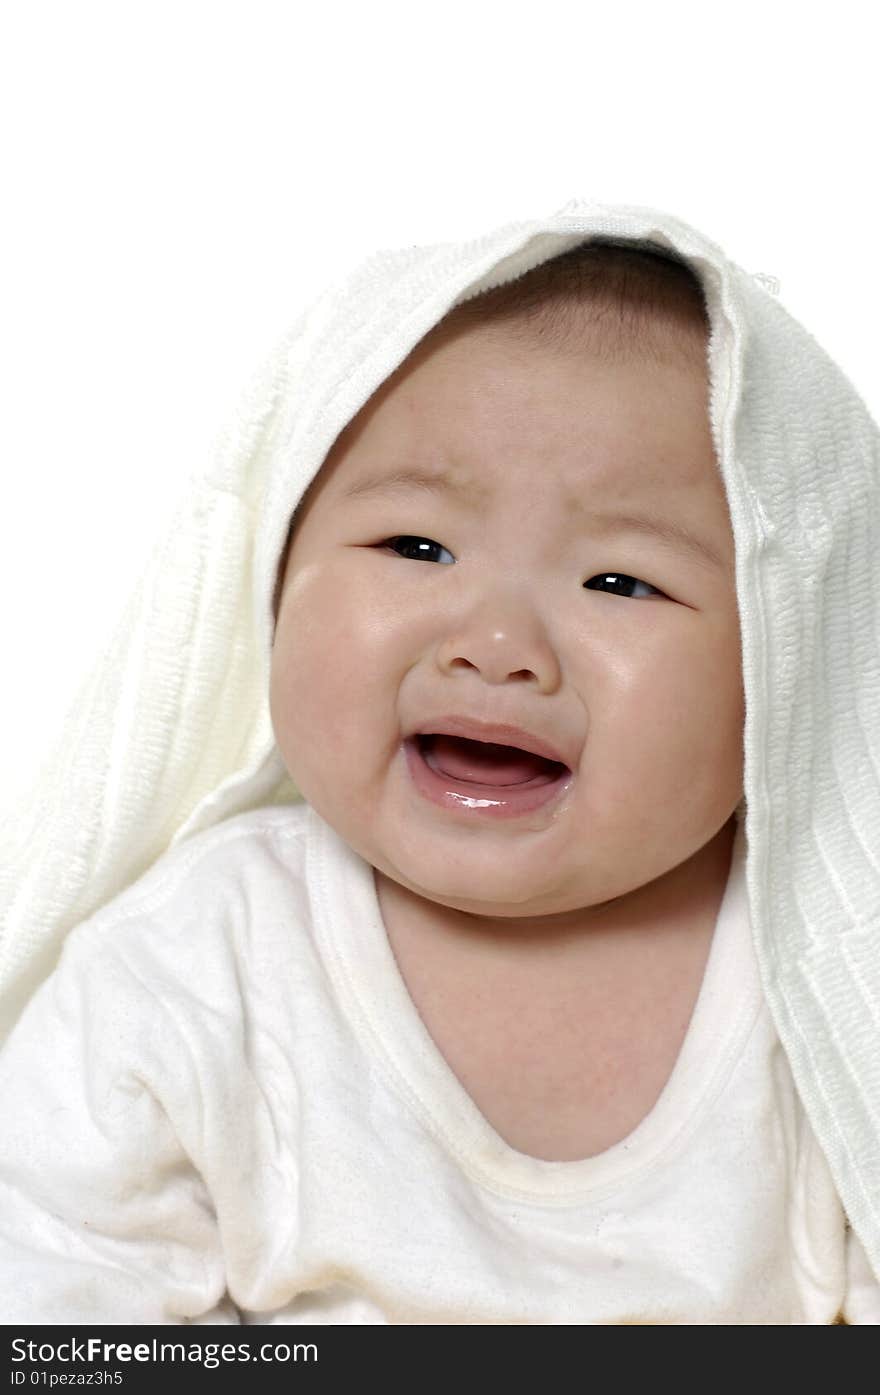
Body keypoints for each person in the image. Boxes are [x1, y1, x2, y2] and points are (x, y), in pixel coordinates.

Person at [1, 199, 878, 1324]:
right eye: (415, 545)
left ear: (787, 653)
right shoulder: (192, 966)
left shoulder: (820, 991)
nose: (498, 648)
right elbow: (53, 1312)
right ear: (272, 583)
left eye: (621, 582)